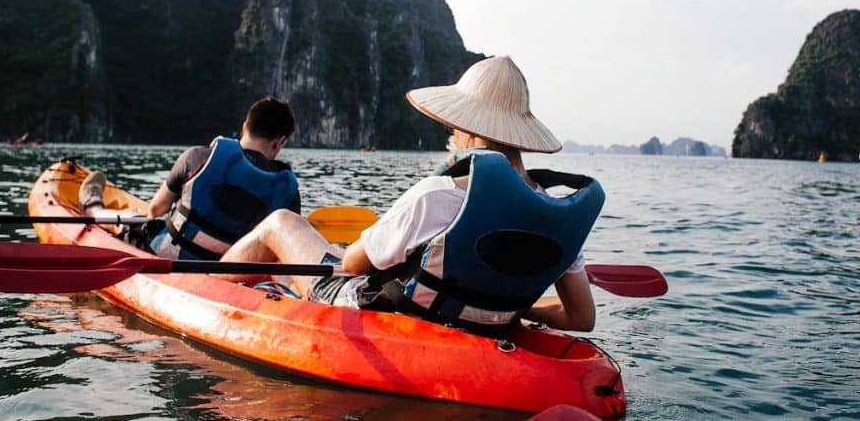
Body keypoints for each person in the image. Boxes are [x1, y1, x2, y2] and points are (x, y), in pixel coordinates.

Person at [220, 56, 604, 334]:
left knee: (281, 223)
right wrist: (517, 312)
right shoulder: (556, 213)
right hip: (488, 321)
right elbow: (580, 319)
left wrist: (344, 248)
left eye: (453, 128)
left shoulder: (438, 195)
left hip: (387, 314)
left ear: (467, 130)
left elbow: (352, 265)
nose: (451, 136)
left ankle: (203, 282)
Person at [79, 96, 301, 260]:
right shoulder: (287, 191)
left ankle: (93, 209)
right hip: (228, 274)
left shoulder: (198, 157)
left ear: (245, 126)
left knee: (133, 217)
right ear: (279, 141)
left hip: (168, 255)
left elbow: (156, 209)